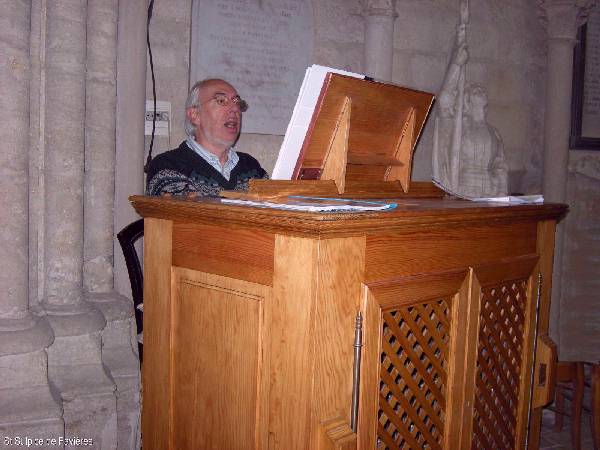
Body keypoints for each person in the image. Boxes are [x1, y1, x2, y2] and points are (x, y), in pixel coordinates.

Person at [146, 78, 268, 196]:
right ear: (195, 115)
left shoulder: (251, 167)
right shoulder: (167, 166)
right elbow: (189, 209)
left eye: (237, 102)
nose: (235, 109)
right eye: (221, 101)